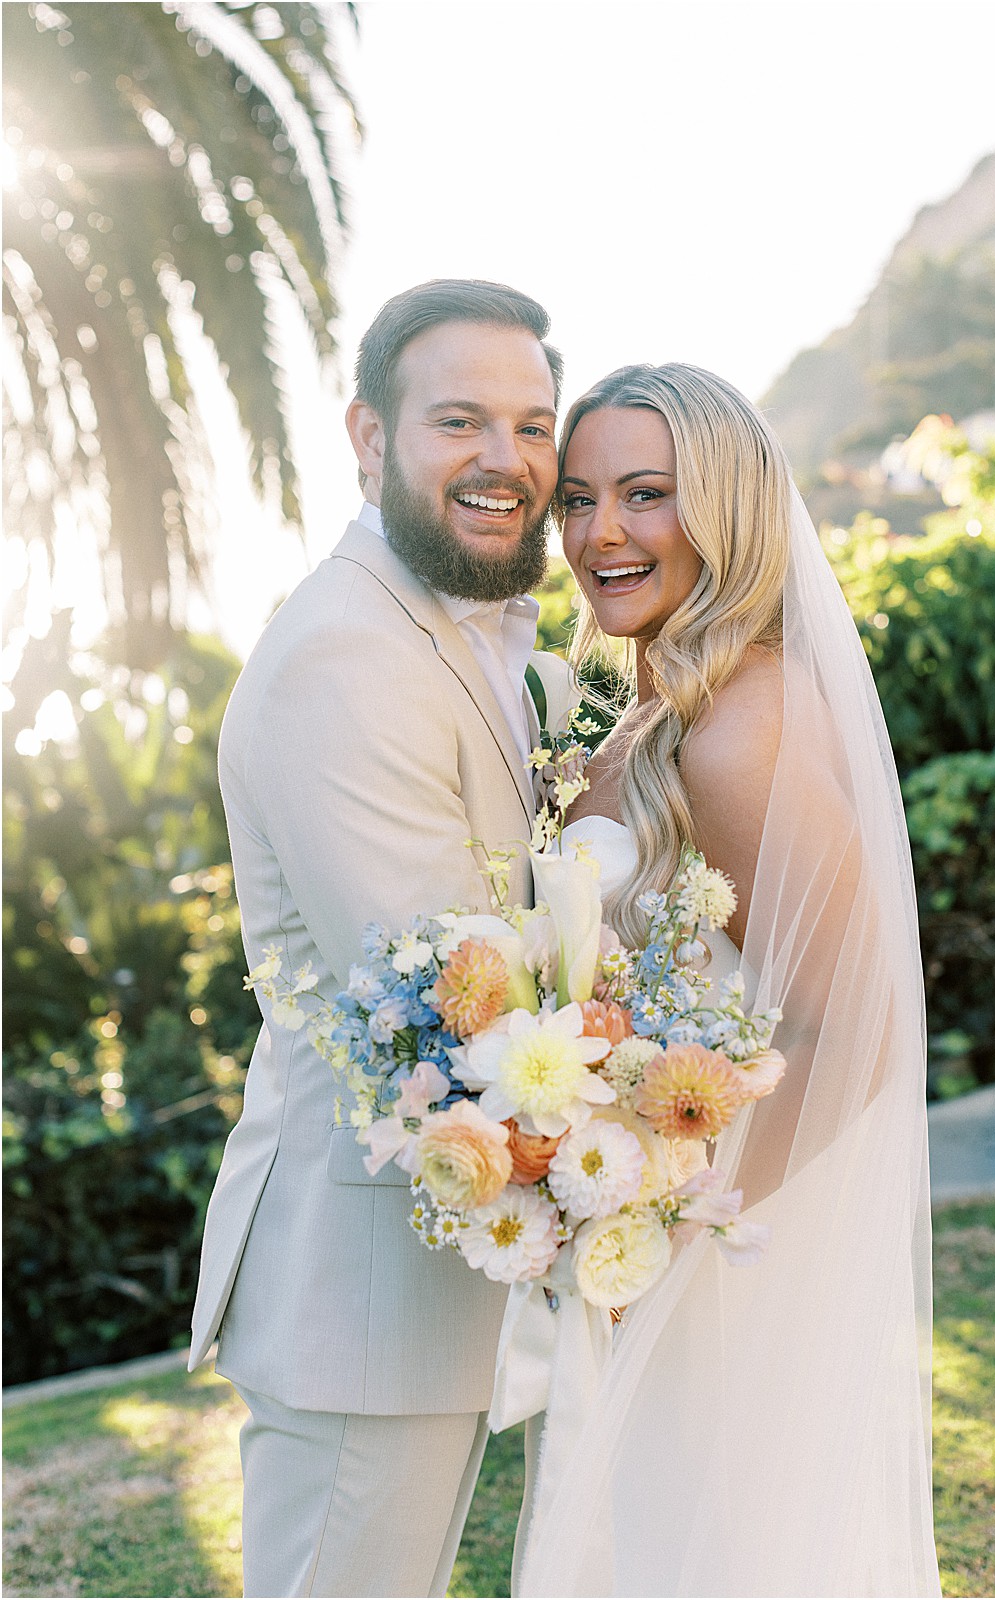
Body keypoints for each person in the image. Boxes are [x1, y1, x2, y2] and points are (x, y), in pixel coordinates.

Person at [513, 363, 941, 1596]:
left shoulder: (738, 729)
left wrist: (673, 1232)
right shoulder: (651, 716)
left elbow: (851, 1029)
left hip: (727, 1250)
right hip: (663, 1231)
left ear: (731, 511)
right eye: (579, 500)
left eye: (645, 494)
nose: (600, 534)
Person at [188, 279, 574, 1599]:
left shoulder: (489, 642)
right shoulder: (341, 658)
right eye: (458, 419)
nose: (504, 460)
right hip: (355, 1286)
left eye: (532, 425)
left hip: (432, 1279)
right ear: (367, 436)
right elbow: (450, 987)